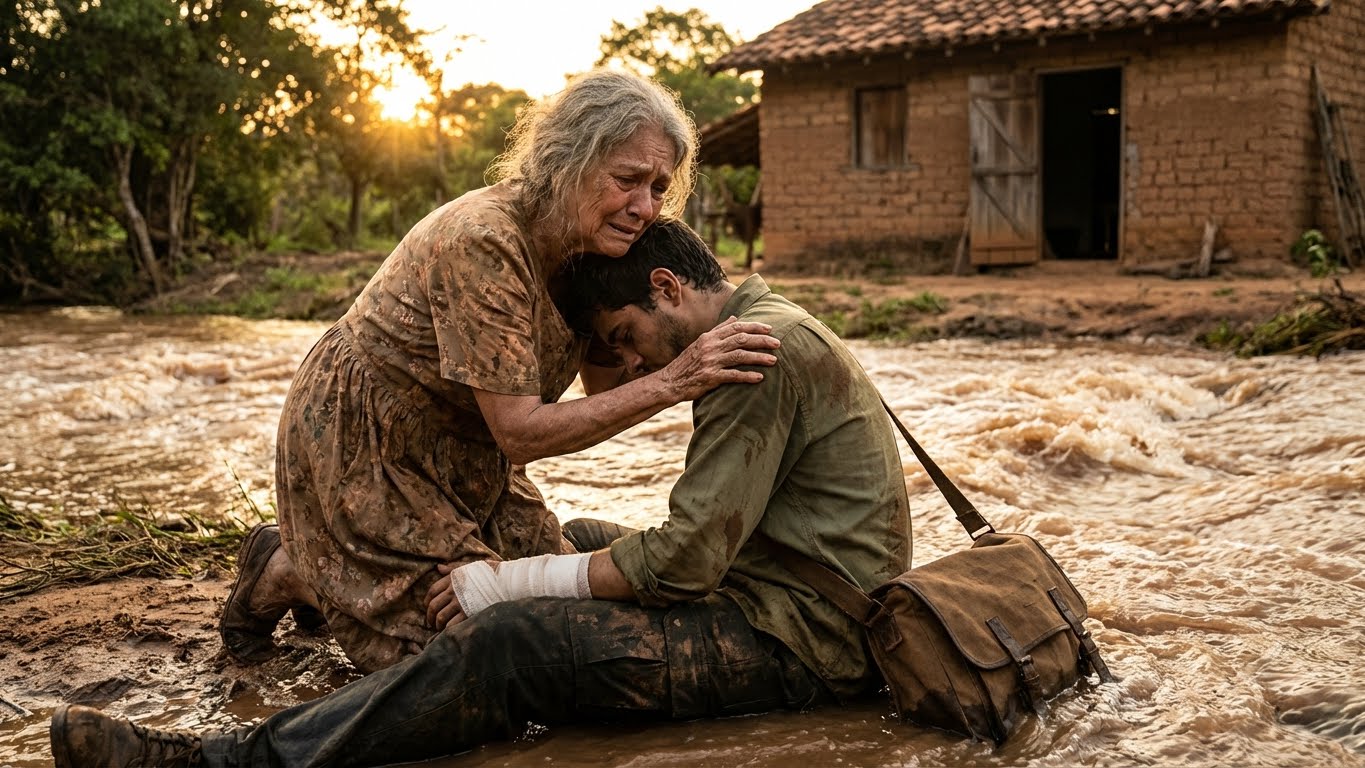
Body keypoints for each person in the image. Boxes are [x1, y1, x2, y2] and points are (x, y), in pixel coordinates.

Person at [50, 219, 911, 767]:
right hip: (772, 586)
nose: (633, 362)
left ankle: (223, 760)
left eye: (625, 337)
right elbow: (697, 544)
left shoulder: (752, 356)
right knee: (574, 534)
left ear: (666, 288)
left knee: (509, 641)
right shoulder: (765, 322)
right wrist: (527, 571)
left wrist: (505, 586)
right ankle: (294, 570)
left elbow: (685, 562)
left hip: (802, 639)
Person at [218, 69, 781, 674]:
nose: (645, 207)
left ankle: (328, 566)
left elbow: (606, 388)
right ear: (568, 161)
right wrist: (677, 381)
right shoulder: (485, 241)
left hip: (472, 450)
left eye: (659, 187)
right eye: (627, 180)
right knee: (461, 654)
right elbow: (522, 433)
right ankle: (294, 570)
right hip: (373, 441)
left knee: (552, 612)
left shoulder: (596, 247)